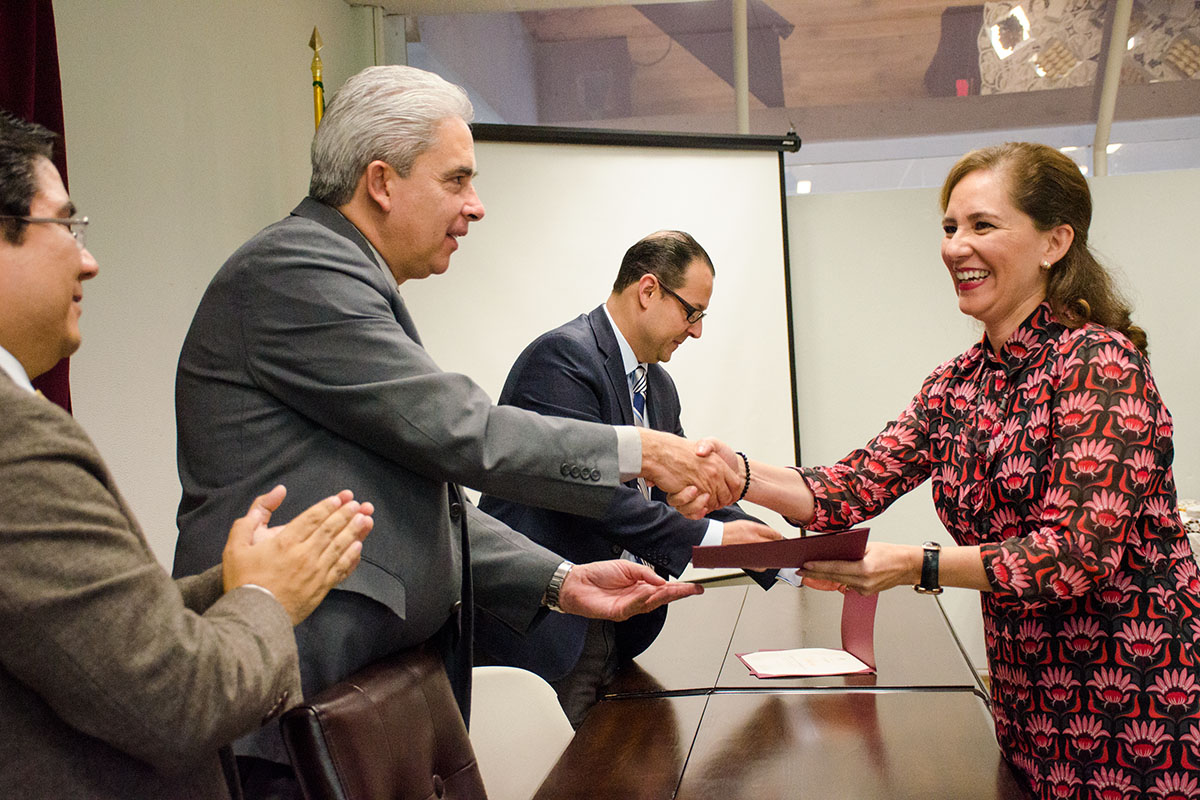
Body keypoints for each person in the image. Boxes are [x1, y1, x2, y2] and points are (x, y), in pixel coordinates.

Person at [171, 66, 728, 796]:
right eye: (457, 180)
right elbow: (466, 433)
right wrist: (638, 451)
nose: (476, 207)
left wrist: (558, 580)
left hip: (355, 696)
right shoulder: (295, 270)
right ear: (381, 181)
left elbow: (426, 502)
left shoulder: (349, 279)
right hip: (297, 700)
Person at [673, 142, 1200, 799]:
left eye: (982, 225)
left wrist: (915, 565)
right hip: (1025, 708)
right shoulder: (957, 383)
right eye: (949, 228)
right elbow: (851, 486)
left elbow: (1073, 556)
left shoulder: (1099, 362)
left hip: (1133, 707)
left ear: (1054, 242)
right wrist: (738, 473)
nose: (956, 247)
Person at [0, 113, 373, 798]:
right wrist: (266, 598)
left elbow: (84, 638)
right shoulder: (15, 441)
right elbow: (178, 700)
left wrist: (231, 585)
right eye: (66, 226)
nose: (89, 260)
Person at [477, 230, 782, 726]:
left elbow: (688, 484)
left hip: (623, 622)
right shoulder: (561, 359)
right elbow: (593, 499)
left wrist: (776, 555)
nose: (698, 331)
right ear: (648, 290)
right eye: (693, 312)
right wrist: (720, 537)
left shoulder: (658, 385)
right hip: (553, 626)